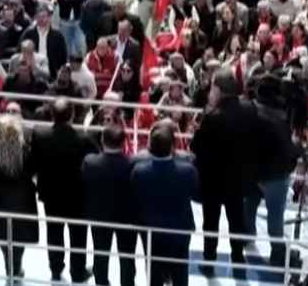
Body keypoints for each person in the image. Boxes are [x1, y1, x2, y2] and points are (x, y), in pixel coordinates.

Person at [190, 69, 257, 276]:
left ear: (218, 89)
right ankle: (238, 261)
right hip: (237, 179)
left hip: (213, 181)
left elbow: (196, 147)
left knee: (211, 223)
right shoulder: (249, 109)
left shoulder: (212, 116)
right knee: (236, 221)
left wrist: (198, 130)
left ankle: (209, 262)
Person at [29, 97, 95, 282]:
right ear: (72, 115)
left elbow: (34, 164)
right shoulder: (84, 139)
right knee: (78, 235)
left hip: (51, 195)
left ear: (52, 114)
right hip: (77, 196)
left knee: (54, 232)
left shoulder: (40, 136)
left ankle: (56, 270)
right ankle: (77, 271)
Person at [132, 121, 198, 286]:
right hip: (180, 228)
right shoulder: (187, 170)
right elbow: (194, 192)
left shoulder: (139, 172)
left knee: (154, 270)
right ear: (172, 147)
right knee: (180, 271)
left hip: (151, 229)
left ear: (150, 147)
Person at [245, 75, 297, 268]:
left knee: (249, 204)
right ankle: (277, 251)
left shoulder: (247, 110)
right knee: (275, 215)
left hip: (251, 170)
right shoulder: (280, 117)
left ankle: (245, 236)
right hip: (275, 175)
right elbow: (286, 148)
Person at [83, 125, 141, 286]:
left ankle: (101, 281)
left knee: (100, 253)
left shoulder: (90, 162)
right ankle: (127, 283)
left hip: (99, 215)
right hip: (127, 218)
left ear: (102, 140)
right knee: (127, 256)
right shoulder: (132, 165)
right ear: (123, 142)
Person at [0, 114, 38, 280]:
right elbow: (33, 171)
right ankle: (16, 265)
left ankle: (10, 265)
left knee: (2, 234)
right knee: (20, 234)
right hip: (22, 198)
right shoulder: (27, 152)